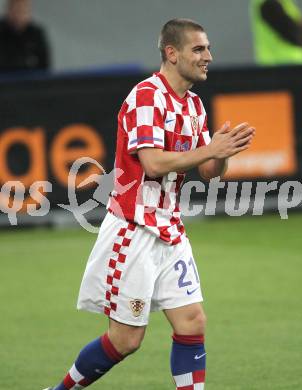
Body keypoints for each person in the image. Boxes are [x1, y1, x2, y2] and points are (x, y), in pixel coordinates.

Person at [43, 18, 255, 390]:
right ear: (172, 53)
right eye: (199, 49)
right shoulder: (146, 96)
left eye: (207, 48)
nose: (209, 56)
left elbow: (208, 172)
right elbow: (153, 162)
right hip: (133, 229)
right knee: (126, 340)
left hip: (169, 229)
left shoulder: (193, 106)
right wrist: (210, 149)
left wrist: (222, 152)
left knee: (192, 321)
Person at [250, 0, 302, 65]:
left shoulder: (286, 3)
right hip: (278, 65)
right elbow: (298, 35)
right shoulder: (268, 4)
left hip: (294, 64)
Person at [0, 0, 50, 73]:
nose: (18, 14)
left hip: (31, 81)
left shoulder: (36, 33)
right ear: (8, 10)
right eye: (16, 9)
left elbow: (45, 66)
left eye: (22, 10)